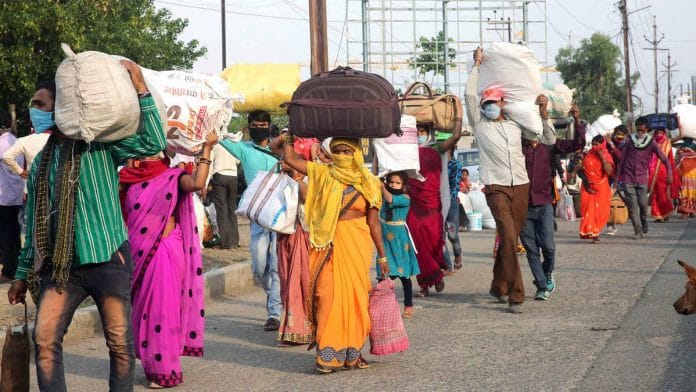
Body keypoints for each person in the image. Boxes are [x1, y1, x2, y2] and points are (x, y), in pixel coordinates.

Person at [7, 62, 167, 391]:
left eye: (40, 104)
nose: (33, 110)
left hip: (108, 258)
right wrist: (22, 274)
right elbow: (34, 222)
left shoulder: (101, 145)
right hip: (61, 267)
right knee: (45, 340)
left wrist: (140, 86)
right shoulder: (40, 162)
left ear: (63, 106)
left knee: (120, 345)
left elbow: (152, 142)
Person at [282, 136, 388, 373]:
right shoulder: (323, 173)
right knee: (326, 295)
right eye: (337, 150)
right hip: (326, 242)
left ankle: (352, 353)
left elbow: (374, 224)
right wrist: (291, 135)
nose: (342, 155)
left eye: (346, 151)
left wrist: (382, 256)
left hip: (357, 243)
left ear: (356, 153)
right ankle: (327, 353)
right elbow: (289, 159)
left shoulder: (369, 182)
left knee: (356, 299)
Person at [119, 133, 216, 388]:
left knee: (162, 310)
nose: (146, 154)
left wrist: (207, 148)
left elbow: (197, 183)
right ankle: (152, 361)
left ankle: (166, 370)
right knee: (142, 312)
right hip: (136, 255)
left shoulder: (173, 177)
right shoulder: (124, 181)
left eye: (152, 149)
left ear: (164, 152)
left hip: (163, 251)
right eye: (142, 149)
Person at [466, 47, 532, 313]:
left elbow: (546, 138)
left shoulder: (516, 125)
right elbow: (470, 95)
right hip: (495, 186)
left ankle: (498, 285)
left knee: (509, 236)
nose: (490, 107)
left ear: (503, 103)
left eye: (494, 102)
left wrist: (545, 112)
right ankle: (516, 294)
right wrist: (477, 66)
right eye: (486, 104)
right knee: (508, 236)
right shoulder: (480, 125)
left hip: (521, 184)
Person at [219, 110, 281, 331]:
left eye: (262, 124)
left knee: (276, 265)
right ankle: (271, 297)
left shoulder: (280, 149)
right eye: (254, 124)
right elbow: (216, 136)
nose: (259, 127)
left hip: (280, 215)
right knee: (259, 265)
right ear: (248, 127)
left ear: (269, 125)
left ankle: (275, 313)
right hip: (256, 216)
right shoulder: (244, 149)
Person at [519, 100, 586, 300]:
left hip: (544, 203)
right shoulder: (517, 148)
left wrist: (576, 118)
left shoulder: (549, 146)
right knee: (531, 250)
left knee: (548, 246)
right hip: (523, 206)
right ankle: (541, 286)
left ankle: (547, 273)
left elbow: (577, 145)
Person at [409, 124, 461, 297]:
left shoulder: (436, 148)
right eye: (415, 131)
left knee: (434, 244)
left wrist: (459, 118)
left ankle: (436, 275)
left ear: (429, 133)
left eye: (421, 132)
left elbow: (455, 138)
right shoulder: (404, 150)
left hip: (431, 205)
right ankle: (424, 285)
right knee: (417, 246)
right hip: (413, 205)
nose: (418, 135)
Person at [615, 117, 673, 239]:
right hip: (628, 178)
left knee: (643, 204)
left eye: (642, 130)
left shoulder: (651, 143)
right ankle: (638, 230)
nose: (640, 133)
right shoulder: (630, 141)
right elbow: (621, 161)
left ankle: (643, 220)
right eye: (638, 130)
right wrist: (617, 178)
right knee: (632, 206)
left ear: (647, 129)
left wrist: (669, 173)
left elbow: (664, 159)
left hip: (641, 178)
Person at [379, 171, 420, 318]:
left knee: (404, 276)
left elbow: (391, 200)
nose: (393, 185)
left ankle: (408, 305)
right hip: (384, 241)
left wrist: (382, 186)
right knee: (383, 276)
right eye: (391, 182)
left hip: (400, 242)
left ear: (403, 186)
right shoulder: (382, 197)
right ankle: (382, 307)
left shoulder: (405, 198)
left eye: (397, 183)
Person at [0, 118, 25, 283]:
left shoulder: (1, 143)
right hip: (15, 194)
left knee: (6, 234)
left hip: (4, 196)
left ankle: (9, 270)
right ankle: (14, 264)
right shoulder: (16, 141)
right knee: (14, 232)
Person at [579, 135, 614, 243]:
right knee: (587, 210)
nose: (594, 147)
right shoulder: (588, 155)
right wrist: (587, 186)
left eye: (596, 145)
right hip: (587, 186)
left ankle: (596, 232)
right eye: (593, 144)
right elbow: (581, 171)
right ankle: (592, 232)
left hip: (601, 187)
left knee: (600, 211)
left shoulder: (607, 156)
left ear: (602, 144)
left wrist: (602, 157)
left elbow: (608, 172)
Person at [208, 143, 241, 248]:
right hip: (233, 177)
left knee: (221, 209)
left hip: (219, 176)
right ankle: (234, 241)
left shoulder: (216, 145)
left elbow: (210, 162)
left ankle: (225, 243)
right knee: (232, 209)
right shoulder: (233, 144)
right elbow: (238, 160)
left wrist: (207, 181)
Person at [649, 128, 681, 222]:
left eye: (661, 133)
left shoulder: (667, 142)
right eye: (657, 133)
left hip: (663, 171)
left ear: (664, 134)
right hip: (653, 171)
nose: (659, 134)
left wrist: (680, 126)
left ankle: (665, 213)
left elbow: (679, 137)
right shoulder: (651, 142)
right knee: (655, 194)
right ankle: (658, 215)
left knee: (662, 193)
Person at [605, 124, 628, 235]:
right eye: (617, 134)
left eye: (621, 135)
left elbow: (621, 157)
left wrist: (611, 144)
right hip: (608, 176)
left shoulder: (625, 145)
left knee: (621, 201)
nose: (619, 137)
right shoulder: (607, 144)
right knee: (609, 201)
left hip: (620, 177)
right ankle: (610, 224)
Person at [444, 151, 464, 270]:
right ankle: (447, 265)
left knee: (452, 234)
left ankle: (457, 255)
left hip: (451, 201)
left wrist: (446, 198)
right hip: (437, 202)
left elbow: (454, 185)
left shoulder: (456, 165)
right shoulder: (436, 164)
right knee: (440, 236)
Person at [676, 140, 696, 218]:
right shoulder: (694, 154)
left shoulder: (681, 155)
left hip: (685, 177)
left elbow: (677, 167)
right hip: (693, 177)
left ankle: (685, 212)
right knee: (692, 193)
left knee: (684, 193)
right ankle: (691, 211)